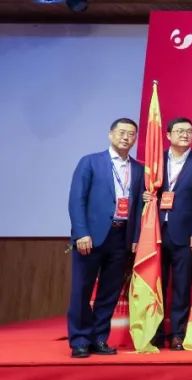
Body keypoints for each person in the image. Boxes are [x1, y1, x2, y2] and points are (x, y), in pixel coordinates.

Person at [67, 118, 145, 358]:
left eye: (131, 134)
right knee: (81, 290)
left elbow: (138, 208)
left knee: (109, 293)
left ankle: (99, 338)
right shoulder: (90, 162)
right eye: (121, 132)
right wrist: (81, 233)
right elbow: (76, 200)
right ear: (110, 135)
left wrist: (136, 236)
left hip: (121, 237)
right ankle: (80, 340)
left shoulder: (139, 169)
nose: (126, 137)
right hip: (91, 237)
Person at [148, 117, 192, 350]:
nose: (185, 134)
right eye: (180, 131)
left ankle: (178, 333)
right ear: (168, 135)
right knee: (156, 283)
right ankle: (154, 331)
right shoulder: (156, 161)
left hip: (185, 234)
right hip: (155, 232)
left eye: (189, 131)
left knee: (182, 286)